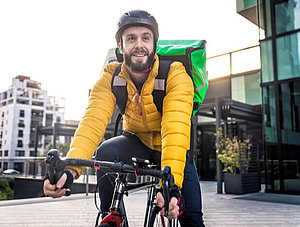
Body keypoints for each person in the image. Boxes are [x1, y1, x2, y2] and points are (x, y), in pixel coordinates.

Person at [44, 9, 205, 227]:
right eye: (131, 38)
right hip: (136, 141)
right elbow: (92, 122)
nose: (139, 44)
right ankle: (111, 216)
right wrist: (70, 170)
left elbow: (175, 129)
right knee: (105, 152)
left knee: (192, 218)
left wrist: (171, 186)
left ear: (154, 44)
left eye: (145, 38)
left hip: (175, 148)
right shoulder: (111, 76)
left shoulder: (175, 74)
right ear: (121, 46)